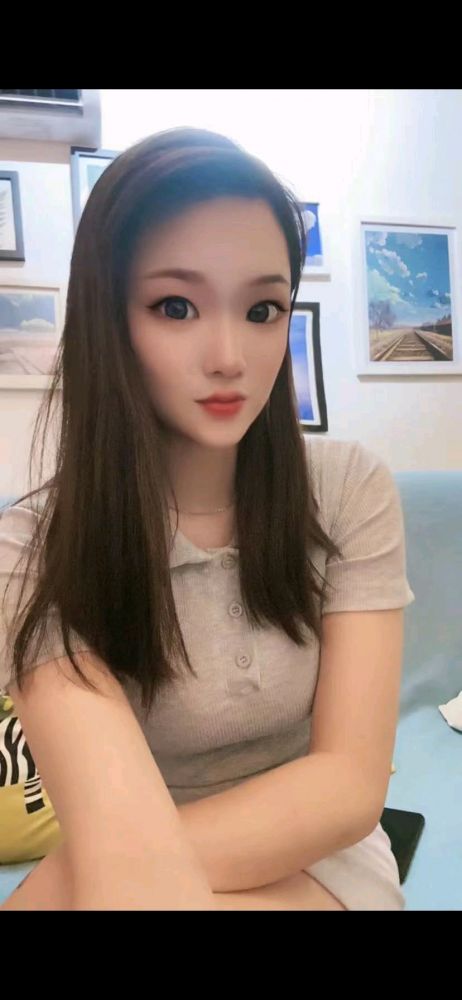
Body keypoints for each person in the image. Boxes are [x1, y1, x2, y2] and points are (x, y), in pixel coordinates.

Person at [0, 126, 415, 911]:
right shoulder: (35, 547)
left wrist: (59, 884)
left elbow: (348, 786)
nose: (230, 356)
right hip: (126, 861)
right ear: (107, 319)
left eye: (262, 309)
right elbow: (124, 848)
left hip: (324, 855)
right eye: (177, 306)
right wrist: (101, 869)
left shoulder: (347, 489)